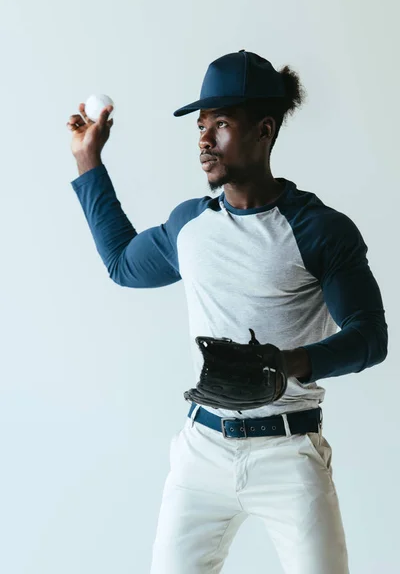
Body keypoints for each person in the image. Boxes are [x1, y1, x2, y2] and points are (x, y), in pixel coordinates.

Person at [66, 50, 388, 574]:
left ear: (264, 130)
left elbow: (370, 338)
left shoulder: (319, 230)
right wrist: (88, 160)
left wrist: (284, 364)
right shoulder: (190, 226)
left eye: (220, 123)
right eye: (200, 125)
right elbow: (123, 264)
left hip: (289, 453)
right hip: (202, 452)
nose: (203, 139)